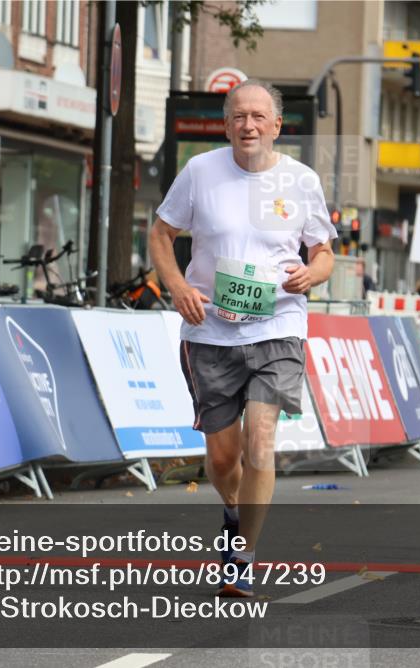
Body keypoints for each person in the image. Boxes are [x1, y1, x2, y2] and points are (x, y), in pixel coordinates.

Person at [149, 79, 336, 597]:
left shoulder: (300, 181)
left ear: (277, 125)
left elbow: (324, 252)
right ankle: (232, 511)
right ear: (226, 124)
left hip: (278, 327)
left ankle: (243, 556)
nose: (248, 125)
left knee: (261, 438)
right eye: (238, 116)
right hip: (210, 331)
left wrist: (311, 276)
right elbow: (161, 235)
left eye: (258, 116)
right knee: (224, 457)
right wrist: (179, 285)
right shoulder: (200, 172)